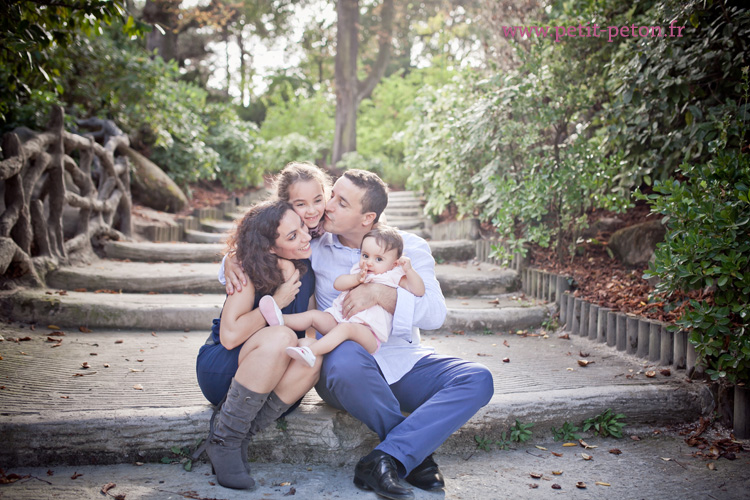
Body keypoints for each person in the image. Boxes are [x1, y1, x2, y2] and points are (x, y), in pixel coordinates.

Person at [224, 169, 494, 500]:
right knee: (347, 356)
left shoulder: (409, 247)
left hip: (402, 359)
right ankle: (416, 457)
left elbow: (436, 314)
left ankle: (389, 457)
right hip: (344, 358)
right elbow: (263, 240)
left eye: (340, 201)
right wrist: (229, 261)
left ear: (367, 218)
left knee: (478, 379)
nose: (328, 206)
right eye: (331, 195)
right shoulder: (316, 244)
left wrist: (380, 295)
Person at [194, 199, 320, 490]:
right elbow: (229, 335)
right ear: (270, 248)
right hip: (224, 368)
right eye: (292, 236)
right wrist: (276, 303)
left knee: (313, 353)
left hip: (273, 379)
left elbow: (308, 328)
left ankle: (234, 434)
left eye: (302, 226)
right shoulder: (247, 270)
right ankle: (227, 441)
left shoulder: (306, 270)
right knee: (283, 338)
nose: (305, 236)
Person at [257, 225, 425, 367]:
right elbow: (338, 284)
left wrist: (409, 270)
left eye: (379, 259)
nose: (369, 262)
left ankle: (310, 351)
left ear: (394, 263)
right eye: (365, 255)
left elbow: (418, 290)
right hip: (339, 319)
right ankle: (279, 319)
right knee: (315, 316)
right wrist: (355, 279)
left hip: (368, 334)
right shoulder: (359, 271)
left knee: (346, 329)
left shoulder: (394, 275)